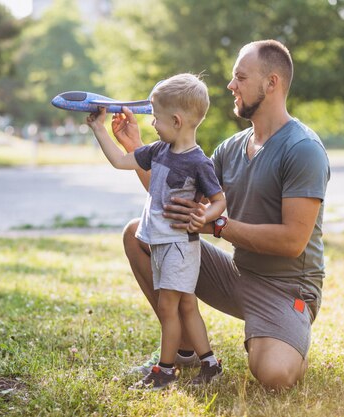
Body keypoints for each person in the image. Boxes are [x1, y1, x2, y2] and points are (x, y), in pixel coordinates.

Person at [110, 40, 331, 391]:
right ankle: (184, 352)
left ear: (271, 83)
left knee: (274, 375)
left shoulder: (302, 149)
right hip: (237, 275)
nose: (231, 86)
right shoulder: (231, 147)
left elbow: (293, 241)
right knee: (138, 234)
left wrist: (219, 226)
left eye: (240, 78)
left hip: (286, 289)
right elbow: (173, 200)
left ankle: (285, 332)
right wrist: (136, 148)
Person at [86, 73, 227, 390]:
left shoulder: (198, 162)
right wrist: (98, 129)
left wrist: (205, 214)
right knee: (186, 306)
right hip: (162, 244)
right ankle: (209, 364)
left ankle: (164, 371)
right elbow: (122, 160)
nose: (152, 125)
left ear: (176, 121)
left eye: (156, 118)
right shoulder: (158, 151)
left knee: (168, 308)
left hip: (179, 246)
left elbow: (219, 200)